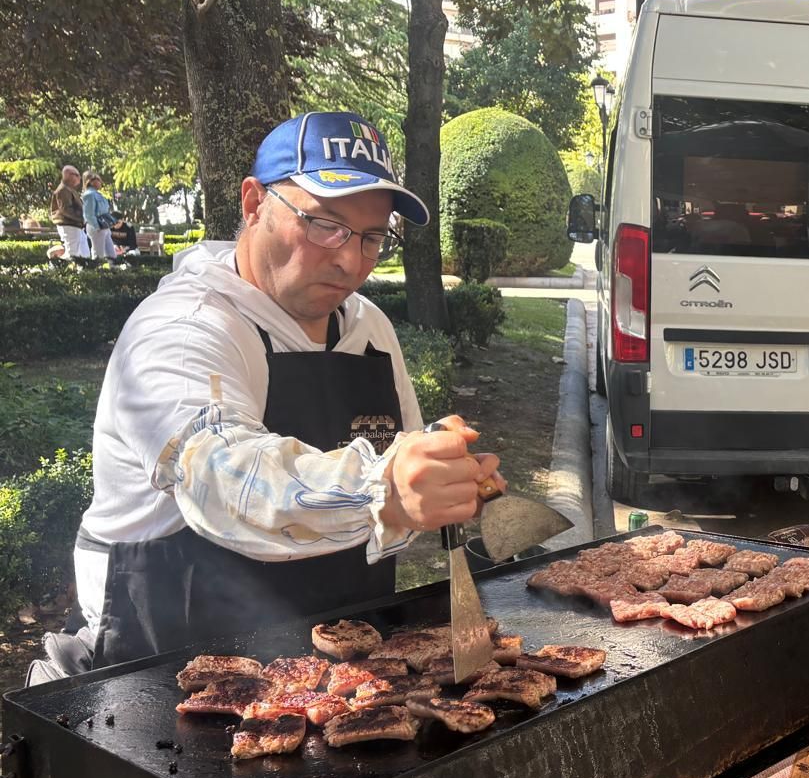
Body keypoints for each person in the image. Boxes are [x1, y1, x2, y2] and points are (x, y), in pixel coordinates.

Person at [46, 110, 501, 679]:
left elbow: (398, 470)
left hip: (338, 658)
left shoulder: (370, 329)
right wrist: (380, 491)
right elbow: (219, 476)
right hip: (164, 665)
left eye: (372, 237)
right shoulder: (182, 330)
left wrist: (439, 476)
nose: (349, 259)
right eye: (324, 224)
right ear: (253, 202)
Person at [48, 165, 88, 262]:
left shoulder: (69, 189)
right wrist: (82, 218)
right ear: (70, 176)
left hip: (76, 225)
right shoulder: (63, 190)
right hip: (69, 225)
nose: (79, 178)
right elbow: (66, 209)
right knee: (73, 253)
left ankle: (85, 273)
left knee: (84, 253)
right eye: (77, 175)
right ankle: (60, 267)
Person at [80, 171, 116, 262]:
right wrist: (97, 226)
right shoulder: (89, 195)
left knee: (111, 252)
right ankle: (96, 272)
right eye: (97, 180)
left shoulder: (98, 194)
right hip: (97, 226)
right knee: (98, 253)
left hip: (104, 225)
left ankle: (114, 271)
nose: (100, 182)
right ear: (91, 182)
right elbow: (88, 214)